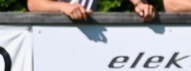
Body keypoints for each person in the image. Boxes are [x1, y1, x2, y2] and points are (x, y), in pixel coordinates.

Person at [27, 0, 155, 21]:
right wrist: (64, 7)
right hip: (54, 34)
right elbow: (34, 3)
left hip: (88, 35)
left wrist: (139, 4)